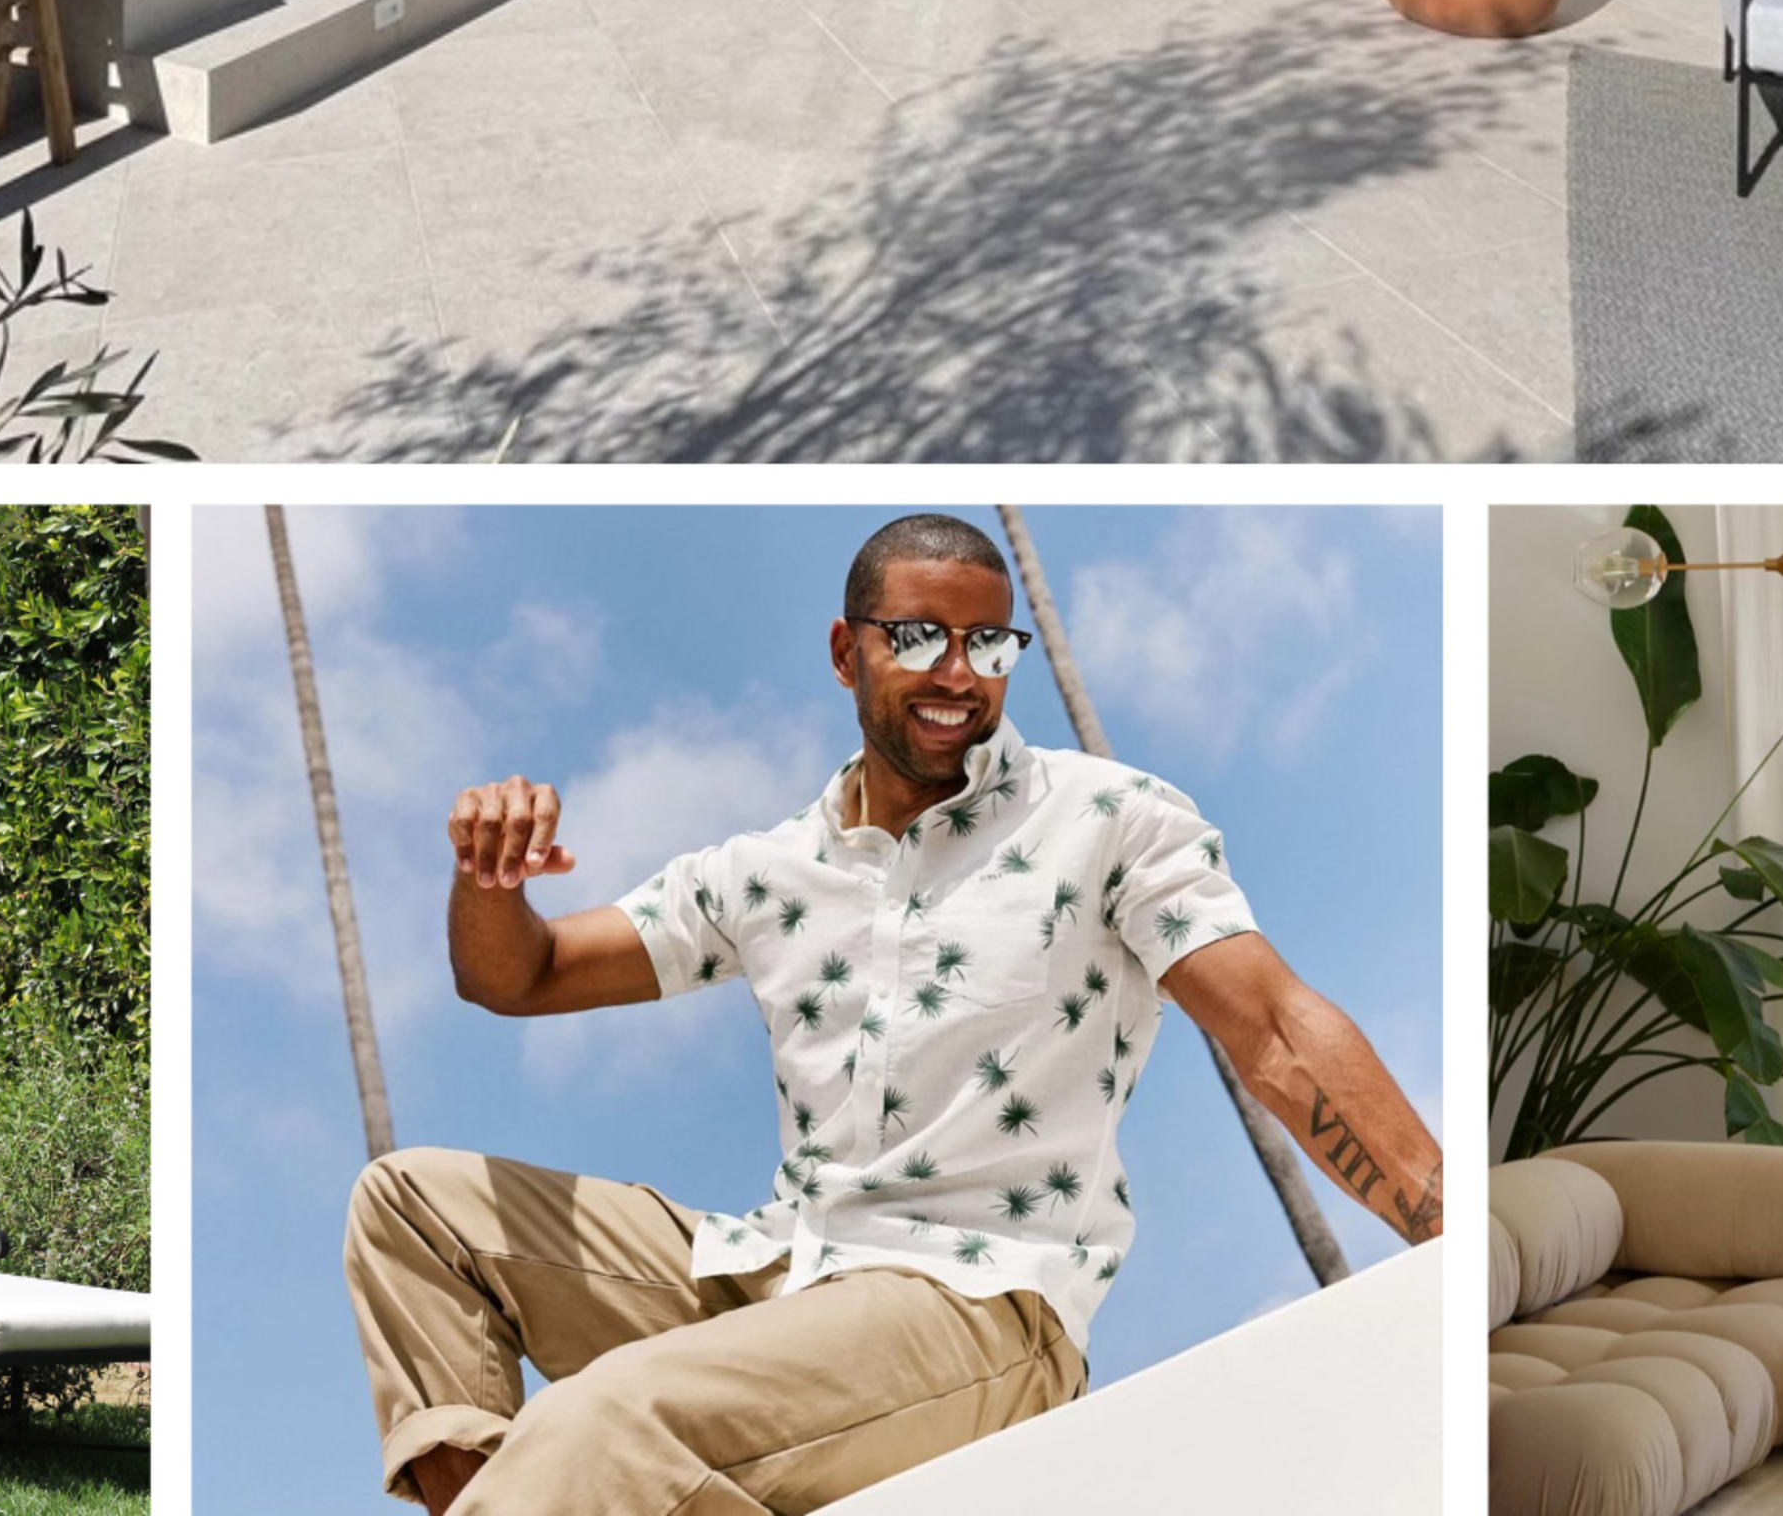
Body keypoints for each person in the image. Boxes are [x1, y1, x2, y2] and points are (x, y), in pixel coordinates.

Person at [343, 511, 1443, 1514]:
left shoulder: (1105, 819)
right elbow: (513, 978)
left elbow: (1274, 1027)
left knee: (602, 1417)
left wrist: (1452, 1235)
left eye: (988, 647)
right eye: (917, 639)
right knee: (412, 1204)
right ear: (846, 651)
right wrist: (490, 882)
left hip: (977, 1305)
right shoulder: (766, 872)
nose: (958, 674)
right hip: (778, 1276)